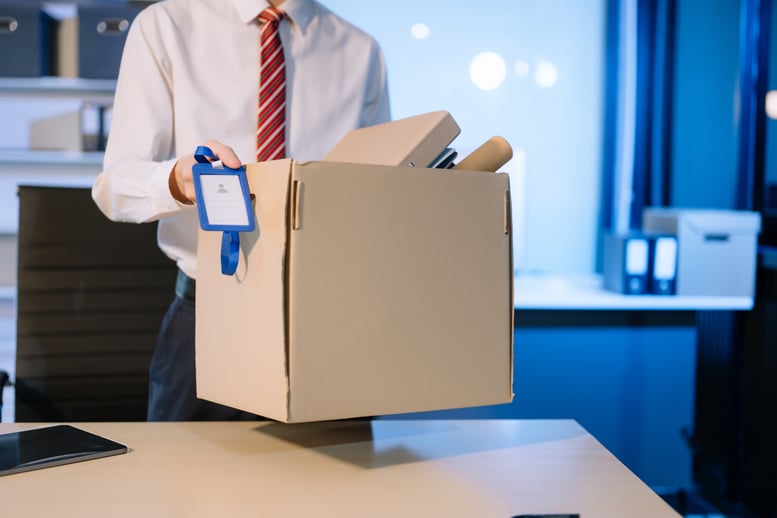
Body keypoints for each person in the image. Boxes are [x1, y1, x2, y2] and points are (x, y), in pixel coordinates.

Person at [91, 0, 391, 421]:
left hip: (327, 323)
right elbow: (115, 186)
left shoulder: (361, 51)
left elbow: (376, 189)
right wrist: (178, 181)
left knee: (339, 466)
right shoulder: (166, 26)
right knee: (188, 466)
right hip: (211, 318)